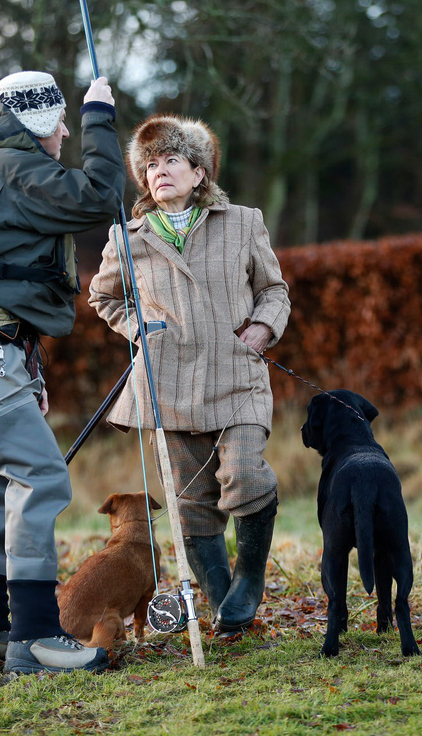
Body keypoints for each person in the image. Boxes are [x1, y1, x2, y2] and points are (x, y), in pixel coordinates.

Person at [0, 71, 125, 675]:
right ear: (35, 122)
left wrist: (29, 373)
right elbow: (99, 195)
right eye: (59, 119)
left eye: (72, 118)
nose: (65, 129)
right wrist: (100, 117)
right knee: (40, 479)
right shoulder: (16, 168)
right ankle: (35, 638)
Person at [88, 115, 290, 632]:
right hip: (167, 387)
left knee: (245, 475)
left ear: (199, 172)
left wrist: (263, 329)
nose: (159, 172)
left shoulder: (243, 222)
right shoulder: (126, 238)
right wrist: (139, 327)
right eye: (150, 165)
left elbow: (274, 290)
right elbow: (103, 297)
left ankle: (248, 580)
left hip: (238, 376)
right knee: (189, 504)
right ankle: (226, 606)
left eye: (171, 160)